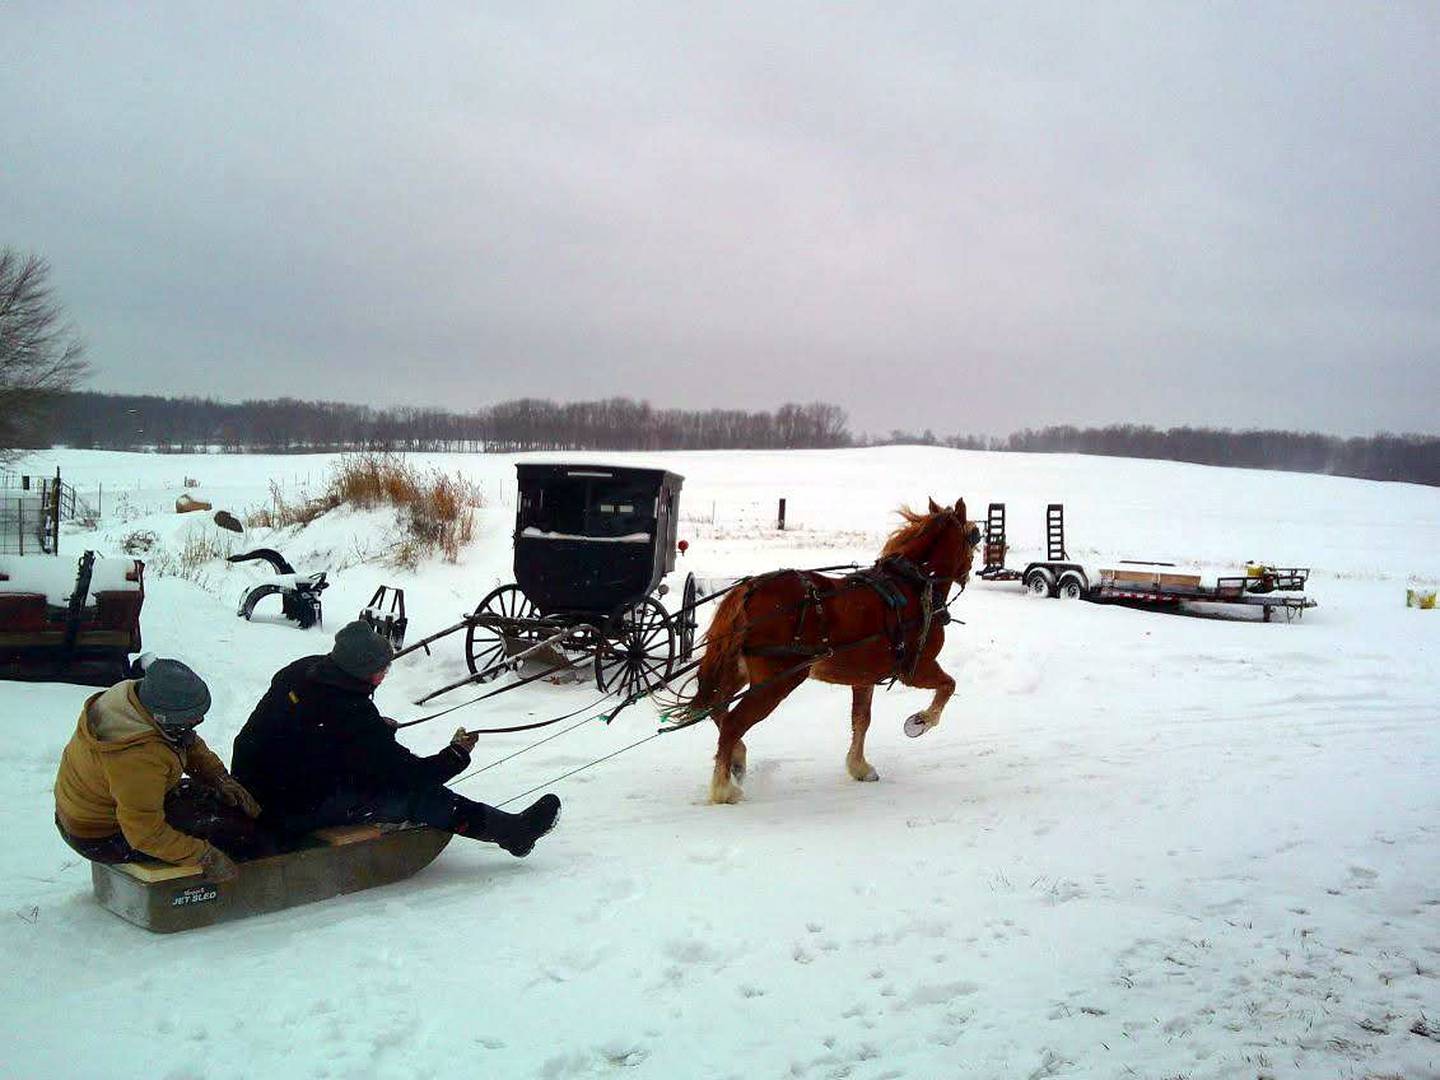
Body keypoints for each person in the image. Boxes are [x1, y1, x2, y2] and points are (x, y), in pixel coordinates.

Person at [232, 621, 561, 857]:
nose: (384, 676)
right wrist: (455, 756)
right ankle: (515, 834)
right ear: (363, 672)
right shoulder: (350, 713)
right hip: (289, 807)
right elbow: (407, 773)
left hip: (254, 781)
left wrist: (370, 731)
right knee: (418, 796)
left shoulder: (303, 671)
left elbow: (322, 733)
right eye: (382, 671)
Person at [54, 659, 269, 881]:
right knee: (227, 831)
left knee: (206, 802)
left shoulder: (136, 705)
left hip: (99, 813)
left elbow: (186, 742)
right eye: (191, 721)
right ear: (166, 719)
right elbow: (145, 835)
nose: (198, 723)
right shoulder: (136, 761)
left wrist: (218, 777)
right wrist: (205, 856)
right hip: (100, 837)